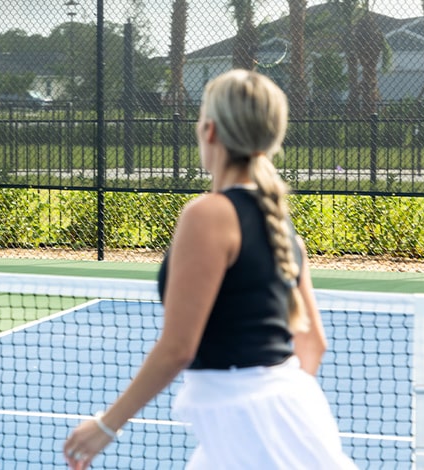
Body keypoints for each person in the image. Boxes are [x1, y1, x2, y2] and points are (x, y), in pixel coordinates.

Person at [63, 69, 357, 469]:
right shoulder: (282, 226)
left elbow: (178, 348)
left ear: (211, 130)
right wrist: (276, 408)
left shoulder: (208, 214)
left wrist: (107, 425)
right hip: (283, 418)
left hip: (249, 428)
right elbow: (312, 345)